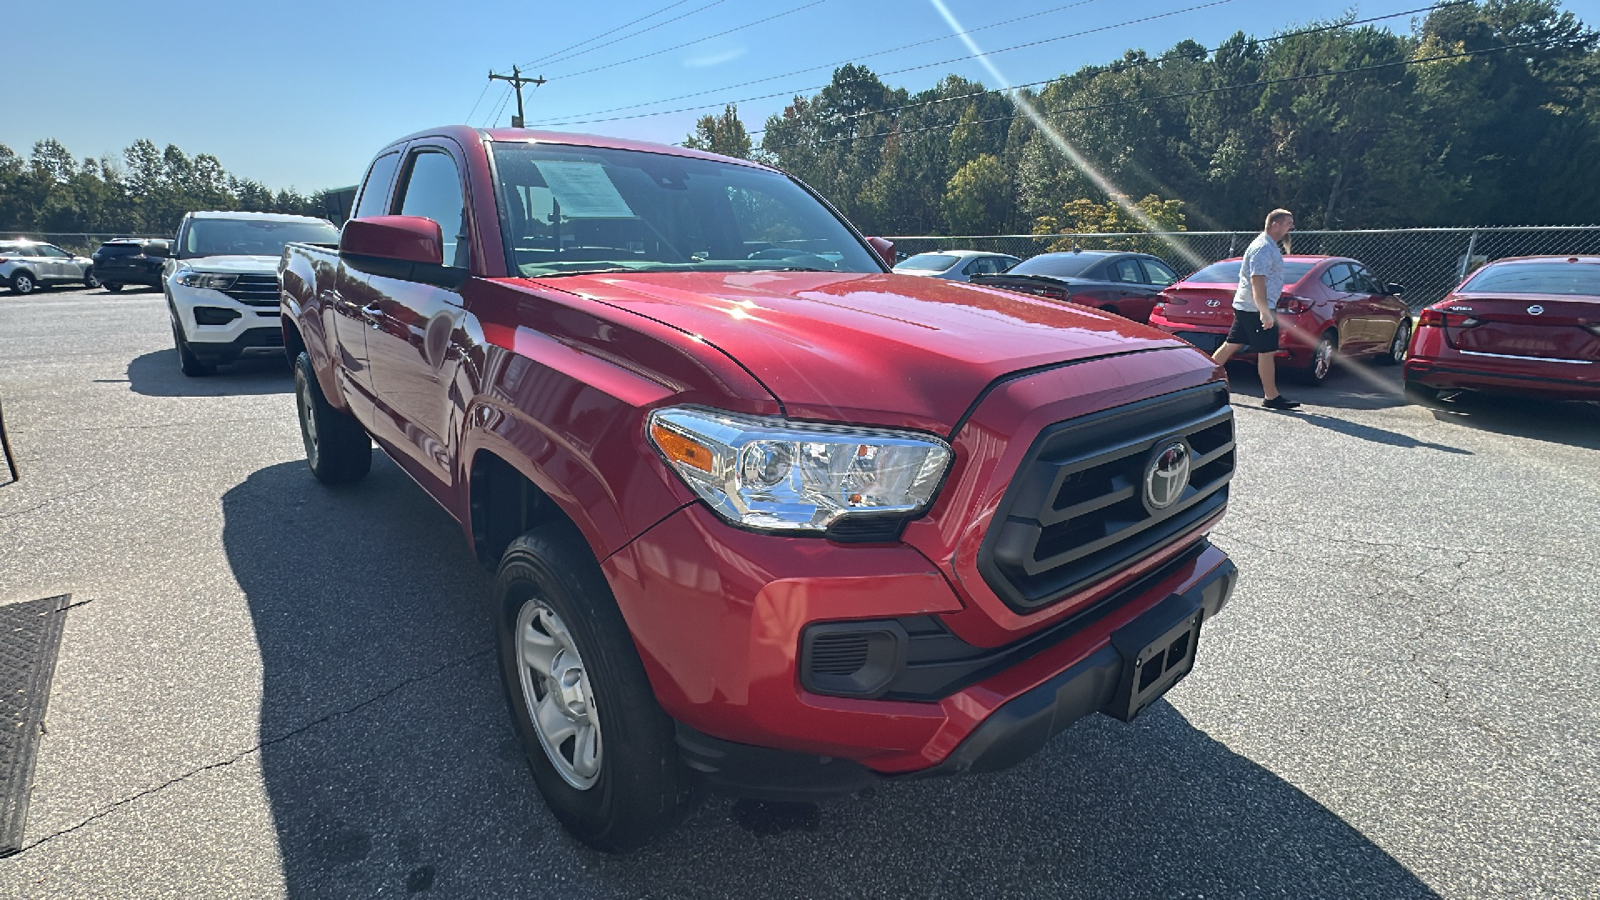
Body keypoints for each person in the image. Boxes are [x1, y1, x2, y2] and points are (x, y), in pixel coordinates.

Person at [1213, 209, 1300, 410]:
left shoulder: (1269, 246)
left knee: (1232, 344)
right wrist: (1264, 311)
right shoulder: (1263, 247)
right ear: (1275, 224)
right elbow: (1257, 280)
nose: (1291, 227)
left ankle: (1201, 381)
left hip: (1248, 306)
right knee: (1267, 351)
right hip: (1256, 308)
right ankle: (1271, 396)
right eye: (1288, 223)